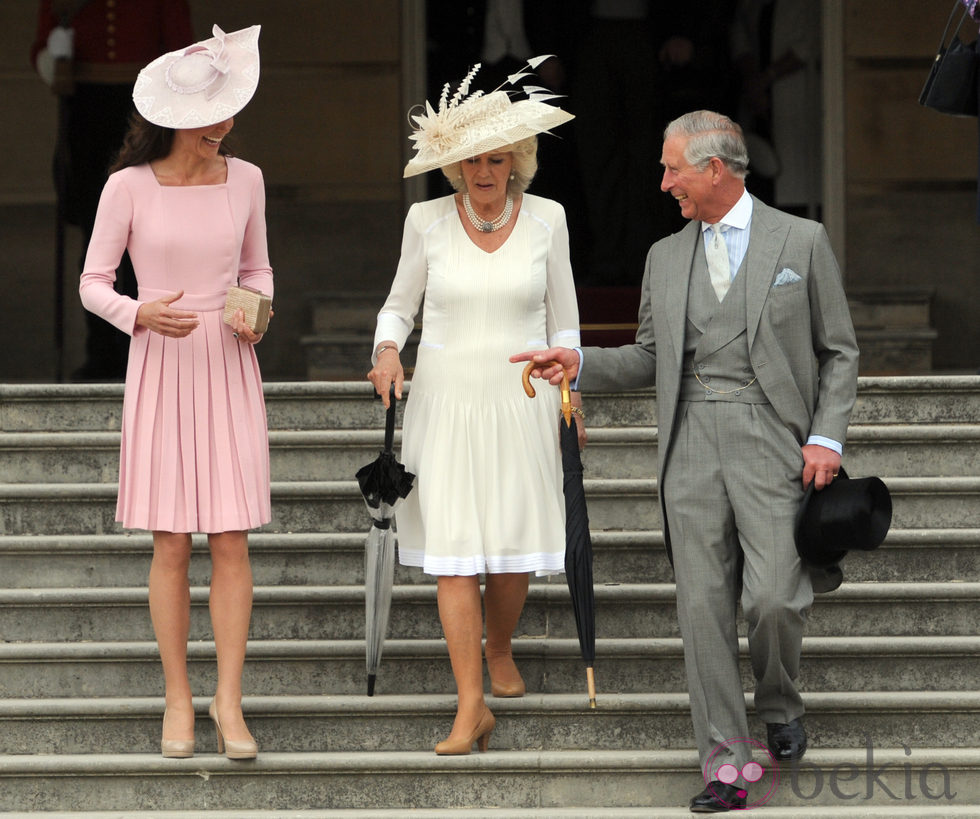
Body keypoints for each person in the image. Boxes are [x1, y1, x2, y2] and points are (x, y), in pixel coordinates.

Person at [513, 111, 859, 812]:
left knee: (772, 599)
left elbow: (840, 351)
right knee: (702, 609)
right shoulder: (664, 258)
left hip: (775, 441)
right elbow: (648, 356)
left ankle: (780, 697)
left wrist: (828, 436)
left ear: (715, 169)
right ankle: (727, 765)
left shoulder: (803, 240)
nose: (664, 181)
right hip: (689, 443)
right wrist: (578, 362)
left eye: (673, 168)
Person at [367, 63, 582, 755]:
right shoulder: (424, 220)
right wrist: (387, 351)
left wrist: (568, 380)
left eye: (497, 158)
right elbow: (399, 307)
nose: (485, 171)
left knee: (513, 550)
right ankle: (470, 705)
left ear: (517, 160)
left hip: (521, 401)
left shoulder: (549, 217)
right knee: (455, 555)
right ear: (453, 165)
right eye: (472, 160)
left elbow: (566, 323)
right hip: (444, 402)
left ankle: (499, 644)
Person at [79, 25, 270, 760]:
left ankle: (228, 698)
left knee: (230, 537)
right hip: (161, 363)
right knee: (171, 540)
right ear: (176, 119)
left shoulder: (247, 179)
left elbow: (260, 271)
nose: (223, 126)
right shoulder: (126, 186)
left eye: (228, 112)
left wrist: (257, 312)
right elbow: (93, 283)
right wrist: (138, 313)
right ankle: (179, 697)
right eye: (211, 115)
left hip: (226, 363)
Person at [31, 0, 194, 380]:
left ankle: (145, 347)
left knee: (148, 235)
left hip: (142, 110)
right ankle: (102, 353)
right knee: (96, 237)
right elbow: (42, 44)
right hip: (87, 112)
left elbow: (179, 51)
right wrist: (56, 62)